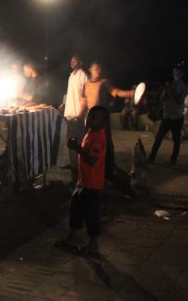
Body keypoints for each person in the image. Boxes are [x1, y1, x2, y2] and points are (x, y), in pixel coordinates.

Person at [55, 106, 109, 258]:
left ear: (103, 122)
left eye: (94, 117)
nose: (89, 119)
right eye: (89, 115)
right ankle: (72, 238)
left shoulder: (99, 137)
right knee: (76, 208)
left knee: (90, 214)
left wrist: (77, 148)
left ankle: (93, 246)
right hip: (84, 181)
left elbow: (92, 160)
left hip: (92, 184)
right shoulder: (92, 132)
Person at [83, 61, 133, 183]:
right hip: (91, 119)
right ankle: (94, 169)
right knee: (91, 145)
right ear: (90, 69)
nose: (98, 71)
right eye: (95, 69)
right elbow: (84, 100)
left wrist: (131, 93)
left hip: (102, 119)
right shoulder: (86, 84)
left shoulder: (104, 82)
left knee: (107, 144)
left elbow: (116, 92)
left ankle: (109, 168)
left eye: (99, 69)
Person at [149, 67, 188, 163]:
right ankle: (151, 158)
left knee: (176, 139)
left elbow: (180, 101)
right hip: (167, 116)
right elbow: (162, 99)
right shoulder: (169, 85)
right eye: (174, 73)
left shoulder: (184, 87)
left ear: (182, 74)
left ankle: (173, 158)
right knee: (158, 138)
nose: (175, 75)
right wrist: (165, 92)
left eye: (178, 73)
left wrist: (172, 91)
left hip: (177, 117)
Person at [63, 55, 88, 183]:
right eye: (71, 60)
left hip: (77, 117)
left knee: (79, 145)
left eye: (75, 60)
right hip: (69, 116)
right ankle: (74, 170)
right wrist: (64, 105)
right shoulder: (71, 75)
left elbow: (84, 98)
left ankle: (81, 174)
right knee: (71, 144)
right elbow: (71, 94)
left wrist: (79, 116)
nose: (72, 62)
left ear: (81, 62)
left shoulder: (82, 75)